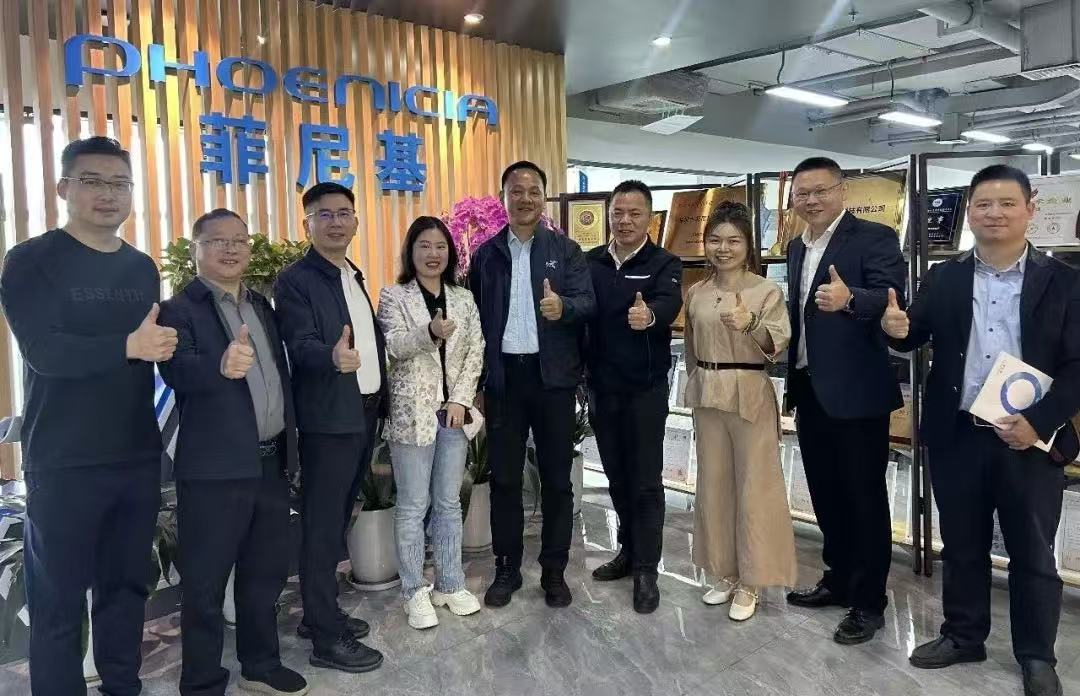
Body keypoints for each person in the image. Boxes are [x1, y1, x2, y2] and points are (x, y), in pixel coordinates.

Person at [882, 165, 1080, 696]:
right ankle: (963, 635)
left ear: (1030, 209)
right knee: (962, 544)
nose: (994, 213)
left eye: (1007, 203)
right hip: (959, 433)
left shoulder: (1065, 281)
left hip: (1029, 440)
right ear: (969, 212)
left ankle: (1036, 656)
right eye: (983, 204)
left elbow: (1077, 365)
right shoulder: (944, 276)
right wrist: (896, 330)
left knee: (1033, 554)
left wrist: (1038, 422)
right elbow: (913, 333)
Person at [0, 136, 177, 695]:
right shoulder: (30, 260)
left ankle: (123, 686)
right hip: (63, 460)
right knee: (57, 600)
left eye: (119, 183)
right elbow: (43, 352)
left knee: (126, 589)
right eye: (92, 181)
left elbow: (153, 349)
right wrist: (129, 346)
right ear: (63, 188)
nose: (108, 194)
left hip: (135, 453)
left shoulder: (141, 267)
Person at [157, 209, 307, 696]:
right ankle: (202, 683)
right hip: (215, 471)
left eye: (239, 240)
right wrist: (218, 366)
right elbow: (176, 372)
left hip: (270, 461)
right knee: (205, 584)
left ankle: (260, 664)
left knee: (264, 573)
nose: (231, 249)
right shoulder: (178, 308)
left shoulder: (261, 304)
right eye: (217, 240)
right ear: (196, 249)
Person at [783, 156, 906, 644]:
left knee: (864, 498)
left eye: (821, 190)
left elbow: (892, 296)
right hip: (809, 388)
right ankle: (838, 580)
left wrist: (850, 298)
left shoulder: (874, 237)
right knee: (826, 492)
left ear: (842, 191)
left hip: (857, 393)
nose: (811, 200)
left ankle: (869, 602)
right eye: (803, 193)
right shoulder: (796, 245)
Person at [469, 161, 596, 608]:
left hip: (553, 380)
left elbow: (588, 303)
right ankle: (506, 568)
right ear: (503, 198)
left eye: (533, 191)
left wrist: (565, 307)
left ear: (544, 197)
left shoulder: (566, 250)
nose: (525, 198)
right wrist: (478, 381)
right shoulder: (486, 256)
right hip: (504, 380)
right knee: (504, 479)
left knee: (557, 479)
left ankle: (554, 570)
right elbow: (473, 318)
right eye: (516, 191)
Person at [274, 182, 386, 673]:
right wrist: (330, 356)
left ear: (356, 220)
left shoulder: (351, 274)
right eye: (325, 214)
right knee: (321, 527)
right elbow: (299, 344)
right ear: (308, 225)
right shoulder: (295, 280)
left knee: (336, 519)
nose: (336, 222)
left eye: (344, 213)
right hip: (329, 420)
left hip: (362, 414)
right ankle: (324, 637)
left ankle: (318, 613)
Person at [683, 201, 797, 621]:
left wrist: (751, 323)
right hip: (707, 391)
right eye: (715, 240)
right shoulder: (696, 291)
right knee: (713, 485)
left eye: (733, 241)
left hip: (748, 391)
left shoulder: (766, 291)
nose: (723, 248)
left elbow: (777, 345)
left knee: (755, 486)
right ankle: (725, 572)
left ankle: (753, 579)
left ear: (748, 245)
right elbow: (691, 348)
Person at [376, 216, 486, 629]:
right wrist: (429, 331)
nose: (433, 253)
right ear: (411, 251)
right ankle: (413, 591)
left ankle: (450, 583)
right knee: (412, 505)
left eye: (440, 246)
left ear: (450, 253)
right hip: (412, 417)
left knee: (448, 502)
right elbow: (394, 346)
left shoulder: (464, 298)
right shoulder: (393, 296)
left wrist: (460, 399)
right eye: (424, 245)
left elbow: (475, 350)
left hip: (453, 416)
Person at [584, 180, 683, 614]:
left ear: (649, 219)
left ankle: (646, 569)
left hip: (645, 389)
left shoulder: (664, 262)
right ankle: (627, 550)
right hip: (601, 388)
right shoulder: (590, 262)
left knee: (645, 481)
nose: (625, 221)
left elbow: (670, 303)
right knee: (617, 475)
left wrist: (651, 315)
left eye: (634, 214)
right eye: (618, 213)